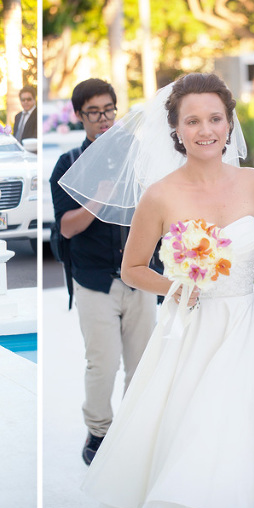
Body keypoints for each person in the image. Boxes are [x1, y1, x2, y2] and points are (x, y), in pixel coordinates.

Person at [62, 73, 254, 508]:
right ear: (176, 129)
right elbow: (132, 268)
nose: (206, 130)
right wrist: (178, 286)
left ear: (229, 122)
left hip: (248, 330)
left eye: (215, 118)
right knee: (196, 440)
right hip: (190, 331)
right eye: (193, 120)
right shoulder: (159, 194)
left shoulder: (253, 181)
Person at [49, 78, 156, 465]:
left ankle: (134, 429)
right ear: (80, 117)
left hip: (139, 276)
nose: (104, 118)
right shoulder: (69, 164)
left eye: (109, 109)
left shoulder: (139, 156)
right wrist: (100, 200)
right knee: (103, 362)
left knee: (143, 362)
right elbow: (66, 227)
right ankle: (99, 432)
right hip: (94, 281)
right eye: (94, 112)